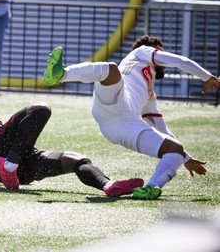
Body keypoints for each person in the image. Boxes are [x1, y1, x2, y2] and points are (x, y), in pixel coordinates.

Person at [0, 59, 144, 197]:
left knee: (78, 160)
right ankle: (9, 165)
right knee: (40, 107)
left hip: (19, 167)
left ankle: (108, 185)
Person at [43, 35, 220, 200]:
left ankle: (151, 188)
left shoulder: (149, 96)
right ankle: (61, 74)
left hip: (123, 127)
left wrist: (186, 158)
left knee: (175, 149)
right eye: (159, 51)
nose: (162, 56)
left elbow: (162, 130)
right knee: (111, 70)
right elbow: (179, 61)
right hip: (113, 104)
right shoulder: (141, 52)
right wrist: (206, 76)